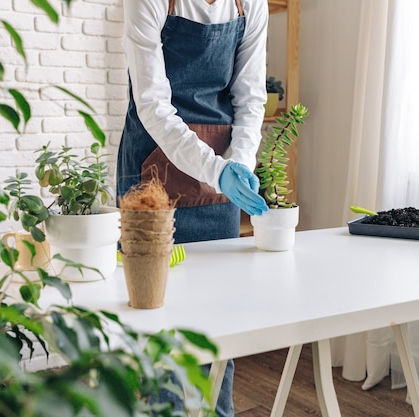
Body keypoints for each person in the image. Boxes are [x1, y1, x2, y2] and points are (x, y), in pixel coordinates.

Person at [117, 0, 269, 415]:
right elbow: (152, 104)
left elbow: (251, 97)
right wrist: (215, 170)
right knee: (153, 317)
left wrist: (239, 163)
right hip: (152, 164)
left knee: (218, 317)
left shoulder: (249, 5)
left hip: (219, 172)